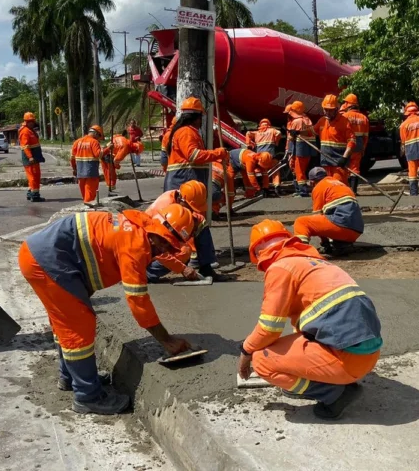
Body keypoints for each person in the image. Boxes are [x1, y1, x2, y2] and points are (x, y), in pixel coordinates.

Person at [19, 204, 197, 415]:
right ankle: (87, 396)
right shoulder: (135, 245)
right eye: (165, 242)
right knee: (78, 326)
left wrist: (182, 268)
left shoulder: (142, 227)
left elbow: (158, 254)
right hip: (48, 261)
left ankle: (73, 377)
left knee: (65, 322)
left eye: (171, 246)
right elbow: (138, 300)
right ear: (156, 231)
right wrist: (166, 339)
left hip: (46, 256)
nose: (165, 249)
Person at [238, 220, 382, 420]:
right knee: (298, 337)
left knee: (262, 360)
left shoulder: (280, 267)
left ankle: (334, 394)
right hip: (365, 356)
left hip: (347, 361)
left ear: (260, 255)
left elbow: (269, 328)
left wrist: (246, 351)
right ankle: (333, 380)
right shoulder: (318, 264)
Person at [163, 97, 230, 280]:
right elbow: (193, 156)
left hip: (186, 183)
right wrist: (218, 153)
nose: (202, 121)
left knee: (198, 224)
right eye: (201, 117)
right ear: (196, 116)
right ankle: (192, 263)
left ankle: (205, 266)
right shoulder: (186, 132)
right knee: (186, 226)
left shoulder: (187, 131)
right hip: (183, 184)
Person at [144, 181, 209, 283]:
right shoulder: (164, 207)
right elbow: (159, 244)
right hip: (148, 249)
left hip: (160, 241)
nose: (192, 212)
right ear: (181, 199)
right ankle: (148, 274)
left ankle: (206, 267)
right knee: (183, 252)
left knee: (200, 222)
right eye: (190, 208)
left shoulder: (177, 199)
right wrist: (182, 268)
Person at [293, 167, 364, 257]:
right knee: (331, 217)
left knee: (301, 222)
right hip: (356, 231)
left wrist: (325, 243)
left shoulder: (319, 187)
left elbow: (317, 216)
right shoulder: (340, 184)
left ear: (311, 182)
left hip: (341, 227)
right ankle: (342, 245)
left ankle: (302, 253)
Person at [307, 94, 355, 184]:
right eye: (326, 110)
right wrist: (297, 132)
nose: (327, 113)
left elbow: (351, 142)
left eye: (330, 110)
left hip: (338, 163)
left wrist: (344, 158)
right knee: (328, 187)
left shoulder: (344, 122)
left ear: (336, 109)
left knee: (339, 185)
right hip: (325, 162)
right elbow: (310, 131)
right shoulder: (322, 121)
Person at [284, 101, 314, 197]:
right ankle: (299, 190)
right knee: (299, 170)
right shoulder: (306, 119)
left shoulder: (297, 121)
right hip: (306, 149)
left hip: (300, 148)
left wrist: (289, 149)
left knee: (299, 170)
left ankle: (303, 191)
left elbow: (292, 138)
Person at [341, 94, 370, 194]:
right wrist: (363, 148)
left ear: (348, 104)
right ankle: (354, 190)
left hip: (347, 145)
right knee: (355, 168)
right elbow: (366, 136)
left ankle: (347, 190)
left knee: (345, 167)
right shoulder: (364, 118)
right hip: (359, 144)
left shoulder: (344, 116)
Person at [71, 125, 104, 203]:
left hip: (80, 173)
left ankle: (85, 212)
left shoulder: (77, 142)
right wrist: (108, 148)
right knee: (89, 199)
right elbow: (98, 154)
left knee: (85, 196)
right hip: (91, 173)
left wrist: (74, 169)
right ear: (96, 133)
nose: (99, 139)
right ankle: (88, 213)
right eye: (99, 136)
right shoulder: (94, 142)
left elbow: (72, 158)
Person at [19, 112, 46, 202]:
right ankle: (35, 196)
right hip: (30, 158)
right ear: (26, 121)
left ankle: (30, 193)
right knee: (33, 176)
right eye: (30, 121)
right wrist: (30, 157)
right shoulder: (25, 131)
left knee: (34, 176)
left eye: (32, 121)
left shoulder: (30, 130)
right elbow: (25, 146)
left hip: (34, 157)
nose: (32, 123)